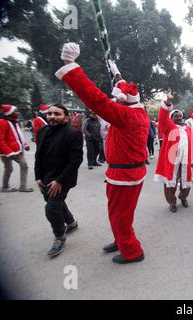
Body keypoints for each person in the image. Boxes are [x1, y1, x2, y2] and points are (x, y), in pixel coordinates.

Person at [56, 43, 148, 264]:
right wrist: (115, 71)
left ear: (122, 101)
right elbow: (124, 90)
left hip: (125, 176)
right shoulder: (135, 110)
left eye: (117, 97)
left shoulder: (124, 115)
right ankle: (122, 238)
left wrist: (71, 65)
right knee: (120, 215)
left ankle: (132, 251)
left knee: (119, 215)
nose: (114, 99)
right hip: (125, 174)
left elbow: (95, 98)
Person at [35, 104, 83, 257]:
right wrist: (37, 177)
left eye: (57, 114)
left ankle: (59, 237)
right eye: (49, 114)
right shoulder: (42, 131)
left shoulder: (73, 134)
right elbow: (38, 155)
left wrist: (60, 181)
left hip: (63, 178)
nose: (52, 117)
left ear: (65, 117)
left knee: (51, 209)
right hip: (45, 178)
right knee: (52, 201)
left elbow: (75, 160)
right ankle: (71, 223)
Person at [154, 91, 193, 212]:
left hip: (186, 159)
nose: (178, 117)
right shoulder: (169, 127)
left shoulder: (188, 129)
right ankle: (172, 201)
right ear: (171, 118)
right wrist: (167, 102)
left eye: (180, 116)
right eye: (175, 116)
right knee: (170, 181)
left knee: (186, 180)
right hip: (172, 159)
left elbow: (192, 145)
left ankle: (183, 197)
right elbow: (162, 118)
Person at [0, 105, 34, 193]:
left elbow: (18, 136)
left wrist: (25, 145)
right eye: (16, 111)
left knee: (21, 166)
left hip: (17, 150)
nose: (18, 112)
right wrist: (8, 152)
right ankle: (5, 187)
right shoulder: (1, 122)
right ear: (10, 113)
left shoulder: (14, 121)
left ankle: (21, 186)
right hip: (6, 151)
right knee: (11, 168)